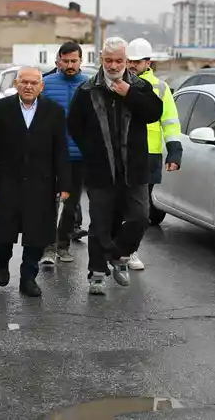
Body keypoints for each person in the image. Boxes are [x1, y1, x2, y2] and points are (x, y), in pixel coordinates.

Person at [67, 37, 163, 295]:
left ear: (126, 60)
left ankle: (119, 255)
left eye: (118, 60)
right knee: (100, 223)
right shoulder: (87, 90)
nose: (113, 65)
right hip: (101, 170)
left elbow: (155, 112)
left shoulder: (139, 86)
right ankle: (97, 273)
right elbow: (74, 125)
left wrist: (129, 94)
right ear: (101, 59)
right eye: (108, 60)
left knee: (140, 217)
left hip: (134, 169)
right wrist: (91, 151)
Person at [0, 67, 70, 297]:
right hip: (9, 180)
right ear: (17, 84)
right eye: (24, 82)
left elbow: (61, 149)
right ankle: (2, 261)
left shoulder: (54, 111)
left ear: (41, 86)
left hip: (42, 183)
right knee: (4, 232)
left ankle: (28, 278)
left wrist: (65, 184)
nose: (28, 86)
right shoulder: (2, 108)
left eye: (33, 83)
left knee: (37, 235)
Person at [124, 38, 183, 271]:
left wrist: (175, 152)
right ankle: (118, 248)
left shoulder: (159, 88)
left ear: (148, 62)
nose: (131, 65)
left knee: (140, 209)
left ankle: (131, 250)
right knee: (122, 205)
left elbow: (170, 122)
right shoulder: (117, 84)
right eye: (129, 60)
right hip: (123, 152)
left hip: (149, 154)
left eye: (136, 62)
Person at [39, 42, 89, 266]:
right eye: (66, 61)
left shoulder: (89, 85)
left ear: (81, 61)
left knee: (72, 204)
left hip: (79, 155)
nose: (70, 65)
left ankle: (63, 245)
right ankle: (48, 247)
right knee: (50, 203)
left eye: (74, 61)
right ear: (58, 60)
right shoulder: (46, 84)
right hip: (51, 155)